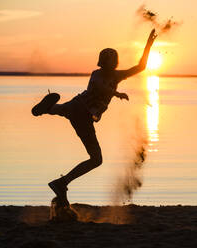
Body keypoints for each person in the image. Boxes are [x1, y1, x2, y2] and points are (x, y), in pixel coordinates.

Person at [31, 29, 157, 207]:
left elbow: (140, 67)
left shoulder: (117, 75)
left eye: (113, 61)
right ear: (102, 62)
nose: (111, 64)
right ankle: (62, 182)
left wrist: (149, 45)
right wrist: (116, 93)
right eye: (108, 61)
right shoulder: (97, 74)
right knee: (96, 159)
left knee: (59, 110)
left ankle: (45, 108)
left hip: (76, 107)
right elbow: (99, 87)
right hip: (82, 113)